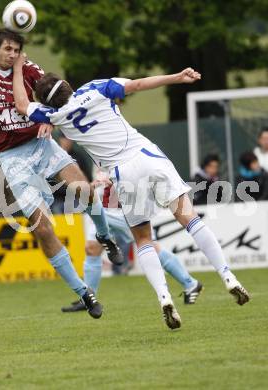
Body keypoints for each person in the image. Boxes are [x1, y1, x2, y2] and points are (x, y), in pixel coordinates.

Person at [13, 57, 250, 330]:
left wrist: (18, 68)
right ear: (66, 84)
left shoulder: (53, 116)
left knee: (143, 239)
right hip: (146, 155)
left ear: (46, 102)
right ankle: (227, 275)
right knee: (189, 218)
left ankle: (164, 297)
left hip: (122, 174)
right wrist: (176, 77)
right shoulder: (96, 88)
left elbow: (21, 104)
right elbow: (137, 84)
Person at [0, 28, 125, 319]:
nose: (12, 55)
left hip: (41, 145)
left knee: (84, 191)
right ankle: (83, 292)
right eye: (7, 49)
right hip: (13, 160)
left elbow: (61, 95)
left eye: (16, 50)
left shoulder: (29, 68)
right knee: (41, 227)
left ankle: (105, 235)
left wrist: (50, 118)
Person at [62, 184, 203, 313]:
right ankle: (88, 298)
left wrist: (110, 179)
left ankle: (190, 283)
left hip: (126, 210)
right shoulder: (99, 158)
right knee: (91, 248)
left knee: (150, 246)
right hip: (104, 209)